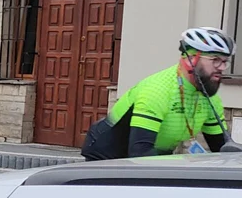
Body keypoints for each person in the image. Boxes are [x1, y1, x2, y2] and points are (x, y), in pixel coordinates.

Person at [83, 27, 237, 160]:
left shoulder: (209, 99)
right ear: (191, 59)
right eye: (215, 60)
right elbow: (140, 155)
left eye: (225, 61)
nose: (222, 67)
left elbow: (222, 149)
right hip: (107, 156)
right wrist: (186, 163)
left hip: (153, 155)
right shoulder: (157, 91)